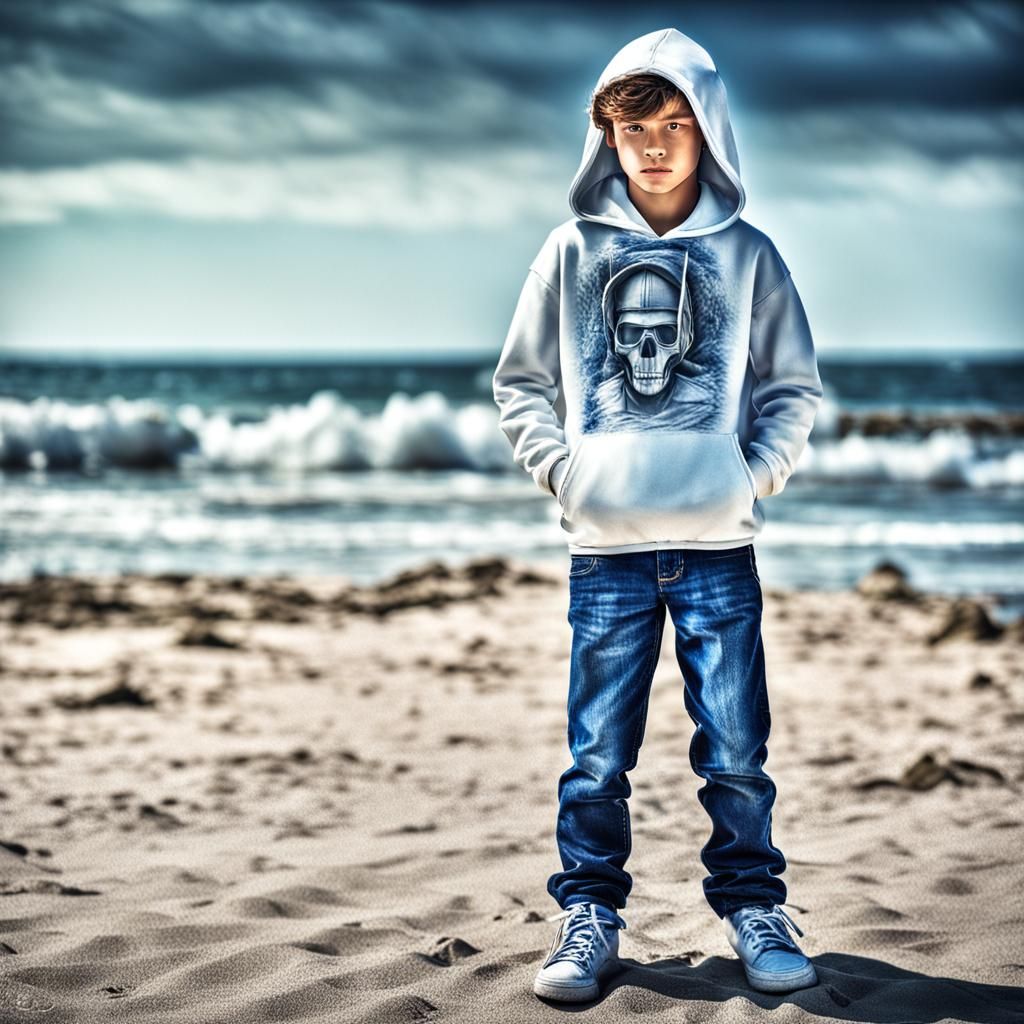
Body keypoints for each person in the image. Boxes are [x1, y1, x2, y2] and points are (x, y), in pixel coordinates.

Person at [491, 27, 825, 1004]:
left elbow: (791, 388)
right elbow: (520, 385)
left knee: (734, 749)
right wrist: (567, 476)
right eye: (634, 123)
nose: (652, 143)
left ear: (707, 129)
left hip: (717, 547)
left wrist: (748, 476)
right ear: (605, 131)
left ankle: (754, 907)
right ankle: (589, 912)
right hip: (606, 553)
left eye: (673, 121)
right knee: (596, 753)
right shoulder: (569, 251)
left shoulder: (748, 256)